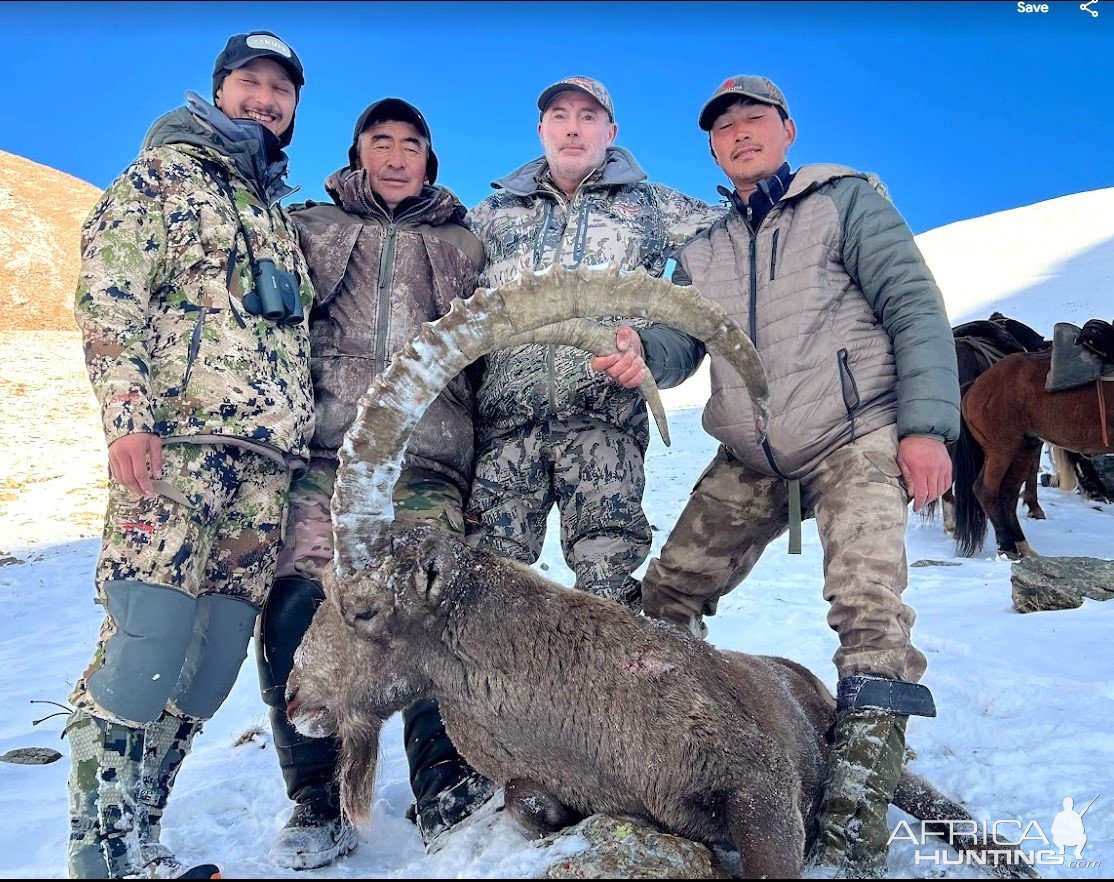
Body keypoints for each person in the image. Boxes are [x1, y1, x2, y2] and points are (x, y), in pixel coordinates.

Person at [638, 75, 960, 877]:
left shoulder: (844, 202)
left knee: (867, 608)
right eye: (725, 128)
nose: (740, 135)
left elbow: (914, 308)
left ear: (786, 129)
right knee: (665, 598)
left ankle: (852, 811)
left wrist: (925, 427)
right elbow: (679, 347)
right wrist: (637, 353)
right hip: (751, 455)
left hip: (853, 435)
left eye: (755, 120)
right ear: (713, 148)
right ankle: (678, 749)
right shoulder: (704, 246)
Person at [66, 30, 313, 879]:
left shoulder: (276, 216)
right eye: (249, 82)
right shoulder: (163, 176)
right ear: (218, 90)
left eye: (281, 90)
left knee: (207, 666)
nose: (265, 99)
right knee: (147, 645)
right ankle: (99, 861)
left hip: (263, 470)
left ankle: (142, 838)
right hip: (175, 452)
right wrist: (127, 417)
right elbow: (109, 295)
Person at [258, 97, 493, 862]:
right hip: (326, 460)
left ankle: (445, 781)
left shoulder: (467, 244)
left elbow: (490, 357)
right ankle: (316, 800)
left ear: (430, 159)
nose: (395, 156)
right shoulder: (311, 227)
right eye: (379, 142)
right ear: (358, 153)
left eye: (411, 145)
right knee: (297, 601)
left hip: (426, 464)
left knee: (432, 604)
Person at [465, 76, 723, 610]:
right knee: (486, 589)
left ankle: (614, 695)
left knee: (608, 591)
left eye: (588, 117)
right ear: (542, 129)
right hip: (504, 432)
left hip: (605, 426)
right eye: (560, 115)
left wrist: (654, 348)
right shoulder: (490, 216)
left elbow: (735, 246)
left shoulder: (653, 207)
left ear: (611, 130)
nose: (573, 128)